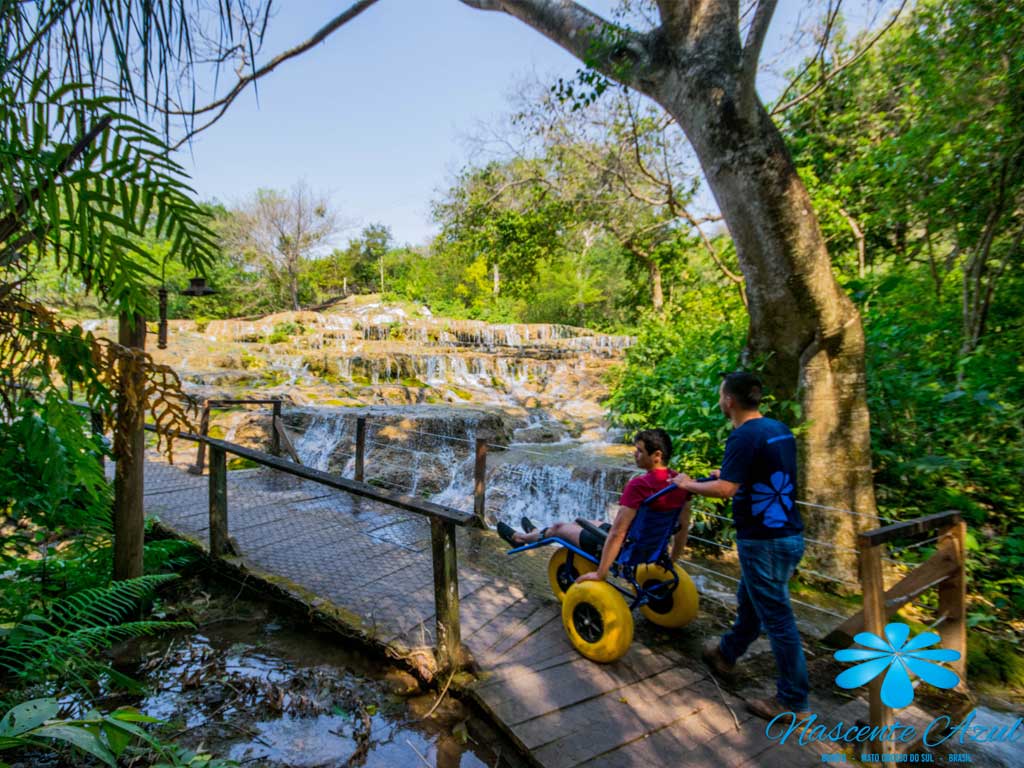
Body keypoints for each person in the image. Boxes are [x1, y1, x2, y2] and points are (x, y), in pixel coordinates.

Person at [672, 371, 810, 720]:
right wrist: (730, 475)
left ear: (729, 400)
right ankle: (726, 654)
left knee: (778, 619)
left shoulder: (744, 435)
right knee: (750, 602)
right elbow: (766, 474)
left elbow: (725, 490)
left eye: (721, 395)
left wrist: (688, 484)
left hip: (763, 540)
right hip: (788, 532)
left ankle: (793, 701)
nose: (720, 401)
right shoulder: (778, 429)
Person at [497, 429, 692, 573]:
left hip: (623, 549)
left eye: (639, 451)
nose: (635, 454)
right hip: (648, 546)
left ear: (657, 455)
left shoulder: (639, 486)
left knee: (558, 528)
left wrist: (601, 573)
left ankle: (519, 539)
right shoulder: (681, 483)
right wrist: (672, 561)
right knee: (578, 522)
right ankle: (535, 533)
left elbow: (617, 533)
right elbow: (683, 527)